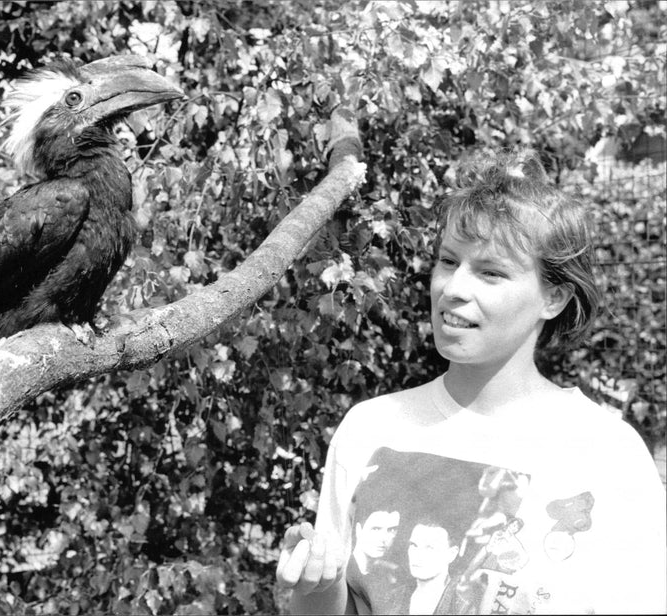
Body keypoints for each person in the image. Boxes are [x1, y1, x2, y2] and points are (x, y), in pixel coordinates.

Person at [275, 148, 667, 614]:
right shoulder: (369, 429)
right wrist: (316, 587)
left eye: (491, 272)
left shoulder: (608, 454)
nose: (454, 288)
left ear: (554, 297)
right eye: (447, 261)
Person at [398, 516, 461, 615]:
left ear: (451, 554)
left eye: (429, 548)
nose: (417, 555)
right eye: (414, 545)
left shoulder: (463, 606)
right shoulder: (393, 597)